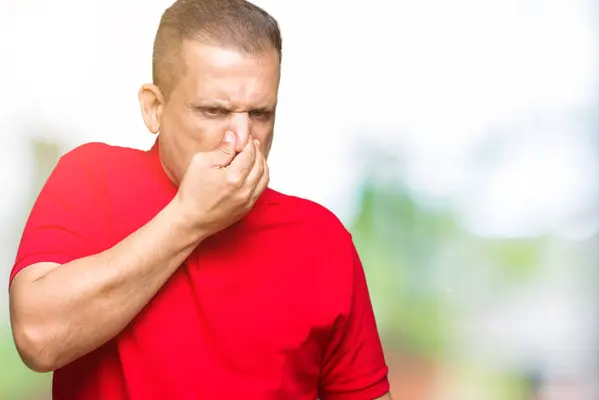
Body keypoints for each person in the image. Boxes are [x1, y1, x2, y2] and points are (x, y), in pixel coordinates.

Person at [9, 0, 391, 398]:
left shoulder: (321, 240)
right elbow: (38, 337)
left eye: (260, 114)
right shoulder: (92, 178)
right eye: (213, 111)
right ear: (154, 108)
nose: (242, 139)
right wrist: (190, 218)